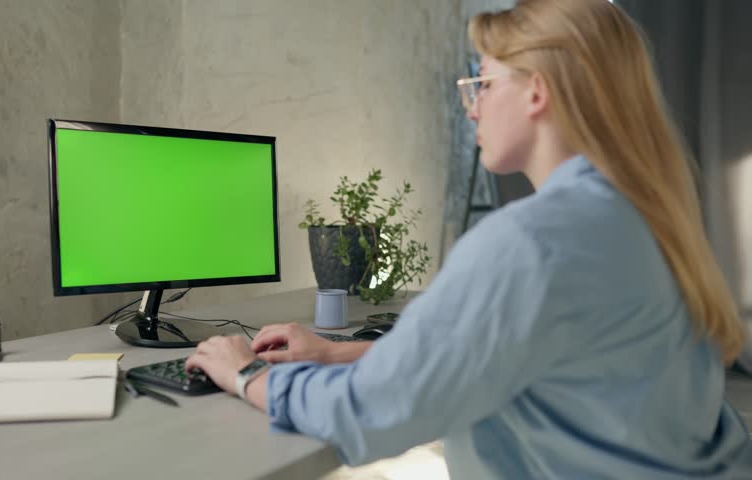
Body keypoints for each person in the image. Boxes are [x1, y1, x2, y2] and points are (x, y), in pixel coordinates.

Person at [185, 0, 752, 477]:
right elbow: (502, 353)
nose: (472, 107)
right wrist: (336, 352)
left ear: (537, 93)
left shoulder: (531, 241)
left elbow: (372, 412)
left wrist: (244, 373)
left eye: (481, 82)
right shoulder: (642, 218)